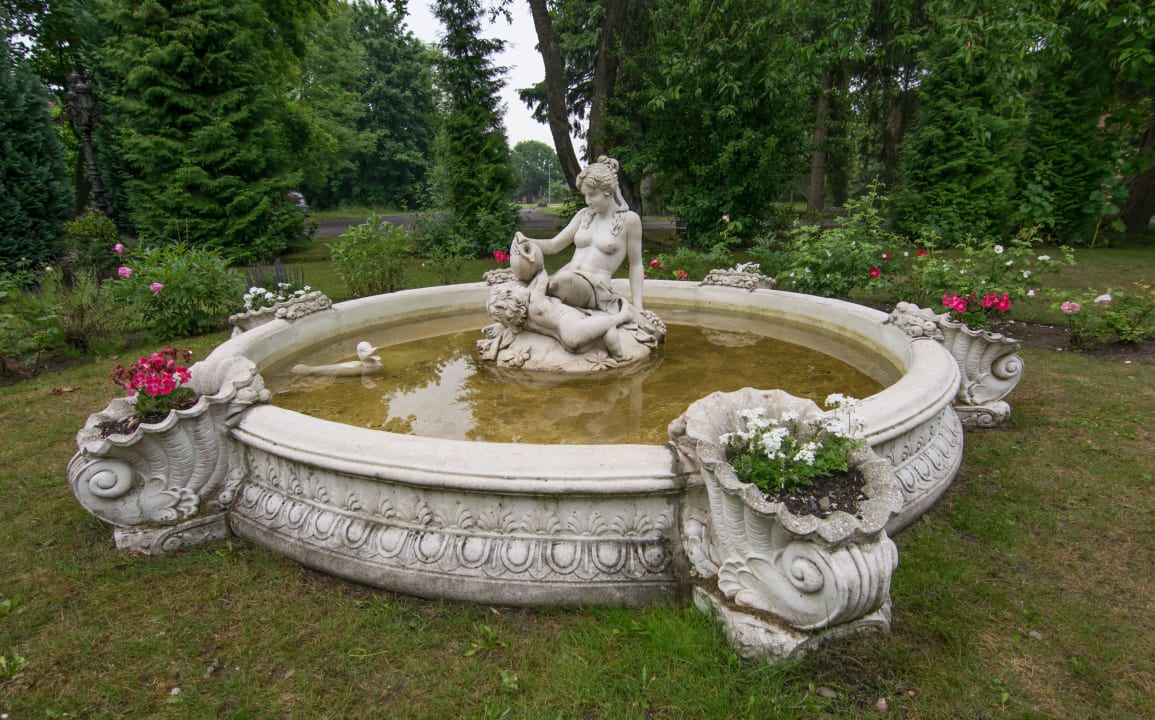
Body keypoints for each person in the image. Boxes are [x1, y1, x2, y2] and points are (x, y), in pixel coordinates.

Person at [515, 156, 644, 314]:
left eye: (592, 195)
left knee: (560, 280)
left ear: (608, 191)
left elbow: (636, 265)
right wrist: (525, 241)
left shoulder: (629, 220)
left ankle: (543, 290)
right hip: (566, 277)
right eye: (585, 195)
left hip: (595, 289)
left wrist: (638, 306)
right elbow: (554, 245)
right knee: (520, 284)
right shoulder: (584, 215)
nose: (587, 200)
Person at [486, 270, 633, 359]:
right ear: (515, 298)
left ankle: (617, 349)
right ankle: (620, 337)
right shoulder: (536, 302)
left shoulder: (523, 323)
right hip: (574, 330)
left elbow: (511, 325)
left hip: (567, 343)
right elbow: (542, 277)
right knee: (606, 324)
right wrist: (537, 272)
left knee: (599, 326)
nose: (520, 287)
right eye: (516, 289)